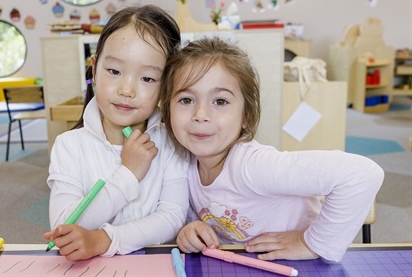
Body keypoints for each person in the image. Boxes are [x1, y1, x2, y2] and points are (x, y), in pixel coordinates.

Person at [159, 37, 384, 262]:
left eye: (220, 101)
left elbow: (362, 174)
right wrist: (191, 228)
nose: (200, 115)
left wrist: (311, 243)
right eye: (186, 100)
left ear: (246, 115)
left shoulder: (254, 166)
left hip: (310, 264)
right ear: (168, 110)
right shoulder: (183, 162)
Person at [44, 5, 189, 261]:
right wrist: (128, 174)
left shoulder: (172, 141)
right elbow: (64, 225)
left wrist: (105, 240)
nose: (127, 90)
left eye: (147, 78)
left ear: (166, 84)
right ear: (95, 68)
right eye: (114, 71)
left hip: (156, 266)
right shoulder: (69, 145)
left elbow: (172, 217)